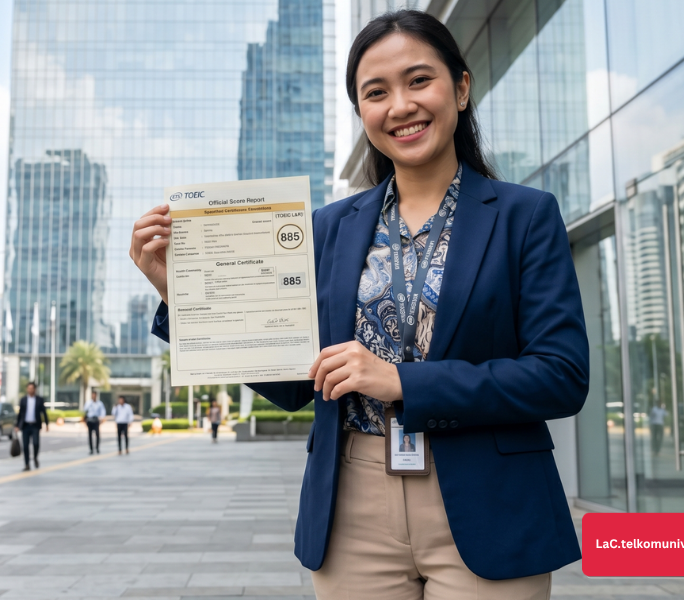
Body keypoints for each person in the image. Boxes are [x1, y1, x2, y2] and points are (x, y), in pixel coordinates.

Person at [130, 10, 588, 599]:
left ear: (462, 87)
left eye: (419, 80)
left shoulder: (526, 216)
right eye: (376, 93)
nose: (400, 105)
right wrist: (185, 297)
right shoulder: (327, 229)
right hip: (353, 503)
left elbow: (561, 376)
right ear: (362, 113)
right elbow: (296, 384)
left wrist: (403, 382)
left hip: (490, 498)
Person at [14, 382, 49, 471]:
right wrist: (17, 425)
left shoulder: (39, 400)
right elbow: (20, 413)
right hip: (25, 425)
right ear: (27, 389)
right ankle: (27, 464)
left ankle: (35, 457)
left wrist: (47, 424)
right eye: (29, 388)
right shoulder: (23, 400)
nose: (30, 390)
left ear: (35, 389)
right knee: (25, 446)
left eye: (32, 388)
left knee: (36, 443)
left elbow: (44, 412)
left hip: (35, 426)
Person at [84, 389, 106, 454]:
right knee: (90, 435)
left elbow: (103, 411)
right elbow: (85, 411)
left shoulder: (99, 403)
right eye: (92, 395)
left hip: (96, 420)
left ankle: (97, 448)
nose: (93, 396)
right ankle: (91, 449)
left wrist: (102, 418)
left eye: (94, 395)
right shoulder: (88, 403)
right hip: (90, 420)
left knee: (97, 435)